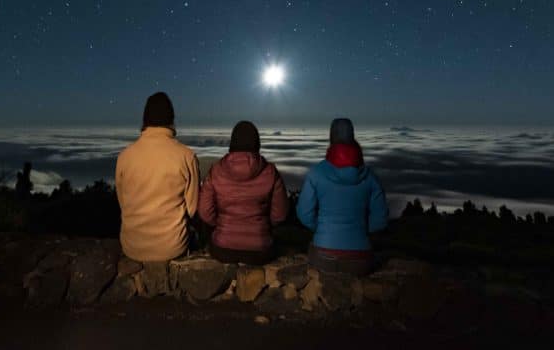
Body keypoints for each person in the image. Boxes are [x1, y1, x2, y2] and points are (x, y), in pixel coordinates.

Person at [296, 118, 388, 276]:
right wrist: (360, 232)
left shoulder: (316, 173)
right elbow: (380, 220)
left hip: (323, 256)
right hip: (361, 260)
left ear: (331, 138)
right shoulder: (370, 177)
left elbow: (304, 214)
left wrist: (323, 230)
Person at [115, 92, 200, 262]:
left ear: (144, 120)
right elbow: (192, 209)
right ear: (172, 119)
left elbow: (123, 203)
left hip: (132, 247)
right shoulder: (186, 156)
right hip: (173, 247)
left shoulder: (125, 156)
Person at [198, 121, 289, 265]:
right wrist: (264, 225)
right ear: (257, 143)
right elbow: (280, 215)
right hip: (261, 251)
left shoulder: (215, 170)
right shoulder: (270, 171)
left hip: (222, 249)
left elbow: (204, 212)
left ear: (232, 143)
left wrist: (221, 225)